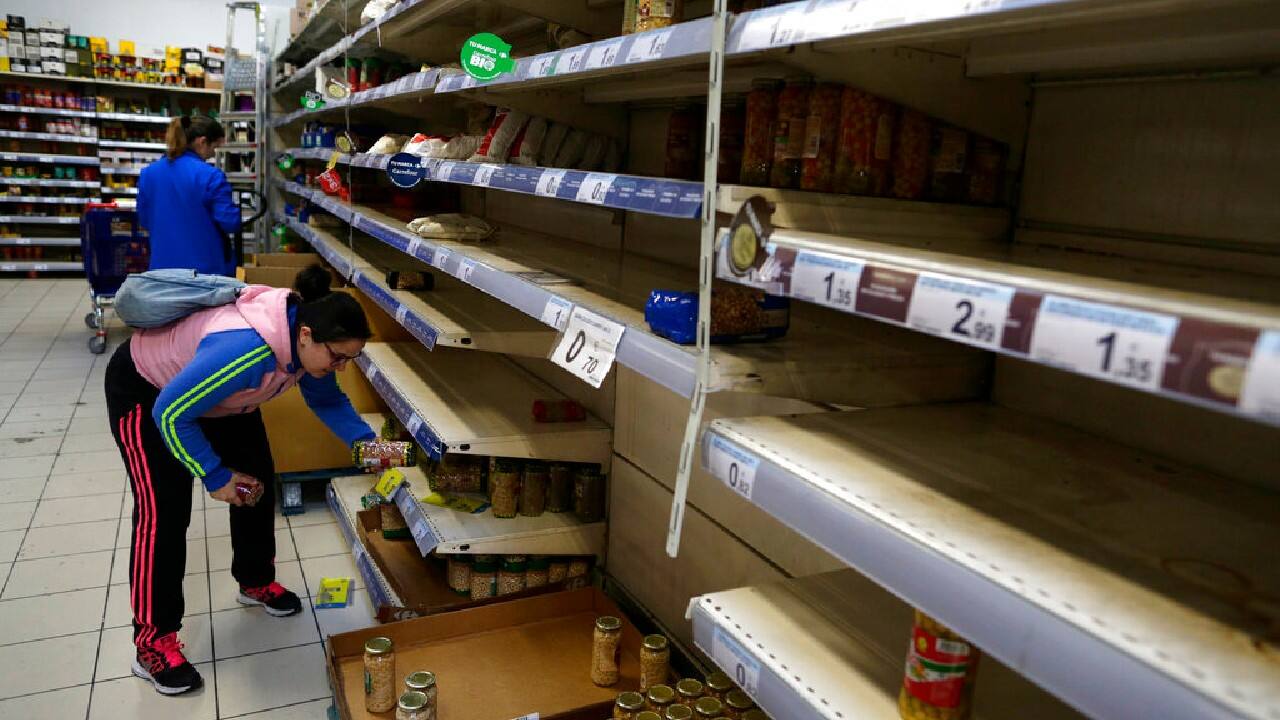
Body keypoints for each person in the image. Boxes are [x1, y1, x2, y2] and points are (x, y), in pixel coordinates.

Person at [104, 265, 378, 695]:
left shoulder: (308, 350)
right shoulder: (246, 351)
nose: (342, 367)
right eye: (338, 357)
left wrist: (368, 447)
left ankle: (254, 579)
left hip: (221, 400)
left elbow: (329, 402)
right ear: (305, 335)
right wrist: (214, 476)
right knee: (164, 514)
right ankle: (152, 641)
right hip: (151, 393)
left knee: (255, 483)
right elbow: (172, 415)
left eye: (351, 358)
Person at [138, 116, 241, 276]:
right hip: (204, 274)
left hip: (161, 271)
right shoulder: (211, 176)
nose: (213, 154)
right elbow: (230, 223)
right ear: (202, 142)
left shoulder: (148, 174)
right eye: (214, 148)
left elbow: (144, 220)